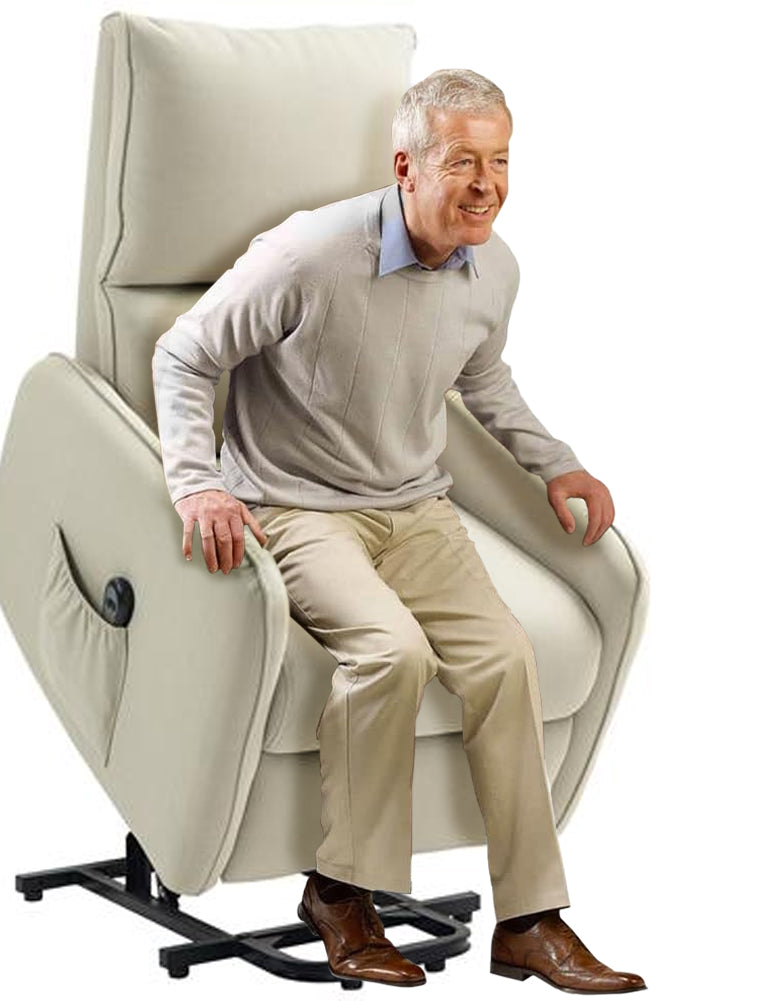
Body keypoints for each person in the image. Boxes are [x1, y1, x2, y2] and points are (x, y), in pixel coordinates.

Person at [151, 69, 644, 993]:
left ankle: (530, 921)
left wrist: (556, 463)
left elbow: (481, 377)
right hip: (296, 507)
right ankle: (340, 894)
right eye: (462, 162)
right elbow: (184, 351)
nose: (486, 185)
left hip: (415, 509)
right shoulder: (307, 254)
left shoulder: (492, 267)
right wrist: (197, 485)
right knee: (390, 653)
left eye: (500, 161)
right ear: (406, 167)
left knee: (504, 658)